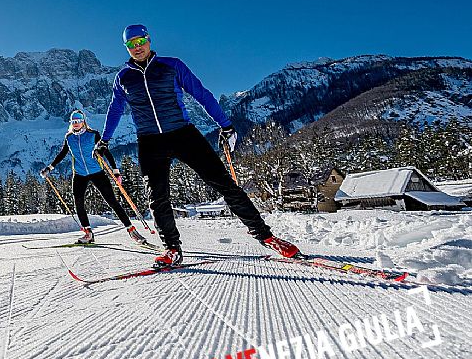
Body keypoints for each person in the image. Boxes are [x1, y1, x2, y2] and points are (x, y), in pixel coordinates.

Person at [97, 24, 301, 265]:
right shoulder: (123, 77)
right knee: (157, 197)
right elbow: (115, 110)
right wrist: (105, 140)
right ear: (126, 48)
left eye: (140, 41)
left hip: (183, 134)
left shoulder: (172, 65)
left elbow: (201, 94)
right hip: (150, 141)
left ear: (149, 40)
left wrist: (225, 125)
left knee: (225, 184)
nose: (137, 47)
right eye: (131, 44)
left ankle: (266, 237)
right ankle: (172, 249)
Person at [41, 110, 150, 246]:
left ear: (83, 121)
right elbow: (63, 153)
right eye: (73, 122)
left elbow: (106, 152)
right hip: (80, 174)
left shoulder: (93, 135)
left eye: (78, 121)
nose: (76, 124)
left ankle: (132, 230)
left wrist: (116, 171)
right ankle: (88, 233)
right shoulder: (69, 138)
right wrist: (50, 168)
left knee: (111, 200)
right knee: (78, 202)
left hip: (97, 172)